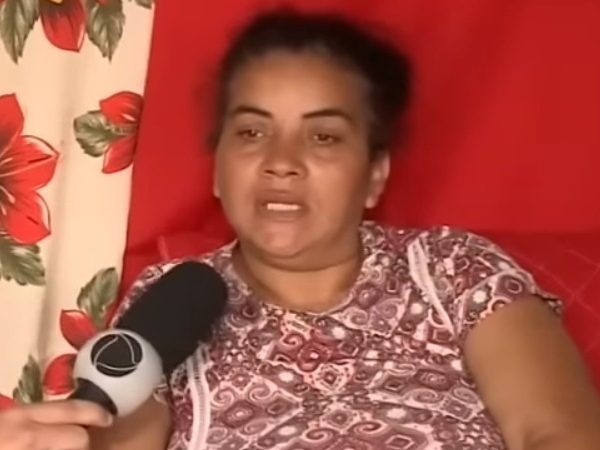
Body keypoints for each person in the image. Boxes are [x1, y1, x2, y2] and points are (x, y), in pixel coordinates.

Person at [2, 9, 599, 450]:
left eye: (323, 136)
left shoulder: (454, 266)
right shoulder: (173, 297)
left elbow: (558, 433)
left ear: (375, 176)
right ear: (218, 171)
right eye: (252, 132)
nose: (280, 161)